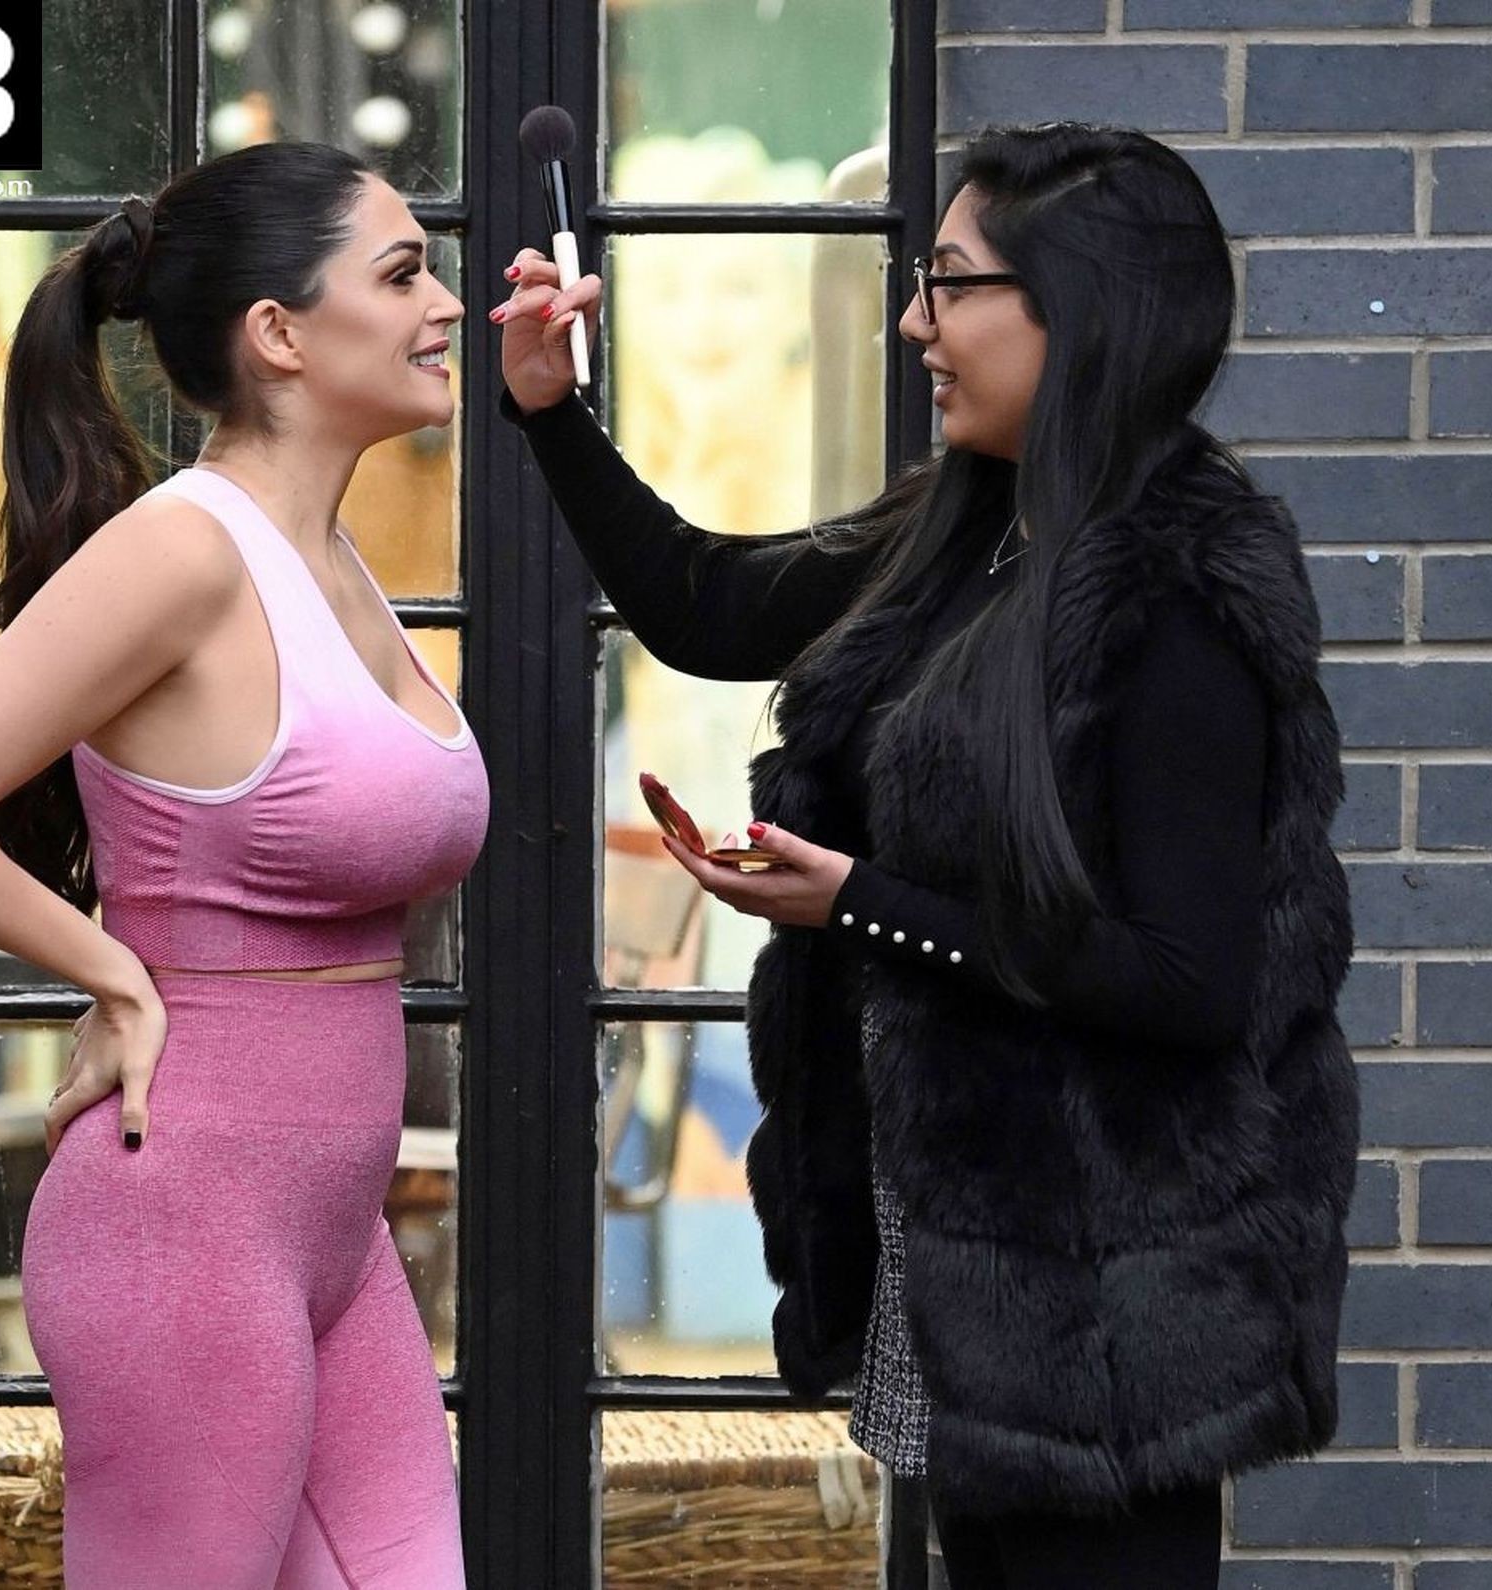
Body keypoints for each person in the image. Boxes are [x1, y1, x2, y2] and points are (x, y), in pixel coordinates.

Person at [494, 122, 1356, 1590]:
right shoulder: (974, 521)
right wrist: (551, 410)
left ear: (1077, 311)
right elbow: (707, 603)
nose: (914, 324)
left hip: (1110, 1323)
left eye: (950, 285)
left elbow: (1190, 981)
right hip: (978, 1269)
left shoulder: (1181, 590)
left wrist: (860, 902)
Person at [0, 141, 482, 1589]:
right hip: (182, 1226)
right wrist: (114, 975)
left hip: (332, 1233)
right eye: (401, 275)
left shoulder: (329, 558)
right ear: (280, 333)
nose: (442, 303)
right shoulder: (183, 552)